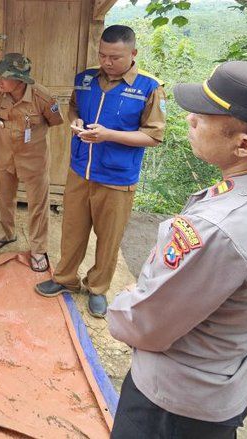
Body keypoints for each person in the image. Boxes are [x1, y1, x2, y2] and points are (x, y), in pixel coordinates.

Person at [107, 61, 247, 438]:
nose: (190, 119)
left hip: (175, 400)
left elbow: (146, 326)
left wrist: (127, 303)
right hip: (232, 376)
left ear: (244, 145)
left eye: (203, 117)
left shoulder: (219, 229)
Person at [35, 25, 166, 317]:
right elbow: (73, 109)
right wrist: (76, 122)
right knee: (72, 230)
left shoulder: (148, 88)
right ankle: (65, 279)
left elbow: (153, 136)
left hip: (117, 177)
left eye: (115, 57)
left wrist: (109, 135)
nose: (107, 62)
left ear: (133, 53)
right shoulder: (85, 80)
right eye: (102, 55)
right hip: (80, 170)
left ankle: (97, 288)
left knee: (108, 238)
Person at [0, 53, 64, 271]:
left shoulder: (43, 97)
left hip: (33, 159)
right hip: (4, 155)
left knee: (37, 204)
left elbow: (55, 121)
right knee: (4, 197)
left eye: (5, 77)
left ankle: (38, 248)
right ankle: (6, 233)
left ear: (20, 80)